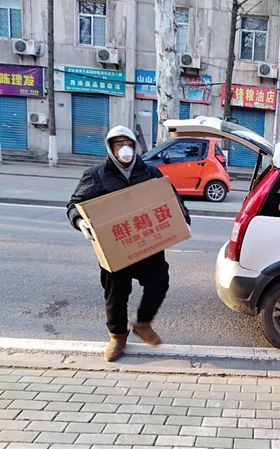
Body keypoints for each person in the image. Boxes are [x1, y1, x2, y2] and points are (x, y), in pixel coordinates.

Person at [66, 125, 190, 362]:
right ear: (110, 147)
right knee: (116, 295)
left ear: (134, 146)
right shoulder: (96, 175)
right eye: (118, 144)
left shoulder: (150, 173)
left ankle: (143, 324)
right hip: (115, 250)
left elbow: (172, 199)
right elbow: (75, 204)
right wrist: (80, 221)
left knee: (159, 282)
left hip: (149, 246)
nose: (124, 149)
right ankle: (117, 337)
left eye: (128, 144)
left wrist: (183, 220)